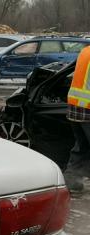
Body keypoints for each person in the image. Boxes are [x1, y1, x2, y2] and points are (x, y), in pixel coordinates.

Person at [65, 45, 90, 192]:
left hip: (75, 107)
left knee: (81, 147)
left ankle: (71, 182)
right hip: (88, 108)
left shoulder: (85, 50)